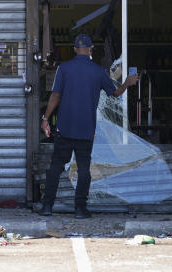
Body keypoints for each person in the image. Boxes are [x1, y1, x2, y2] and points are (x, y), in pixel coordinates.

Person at [38, 33, 139, 219]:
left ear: (75, 49)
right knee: (84, 169)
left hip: (64, 128)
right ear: (91, 49)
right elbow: (115, 94)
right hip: (86, 130)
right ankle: (80, 209)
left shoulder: (64, 68)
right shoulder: (98, 71)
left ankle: (47, 207)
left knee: (56, 167)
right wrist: (127, 83)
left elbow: (55, 96)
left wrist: (46, 118)